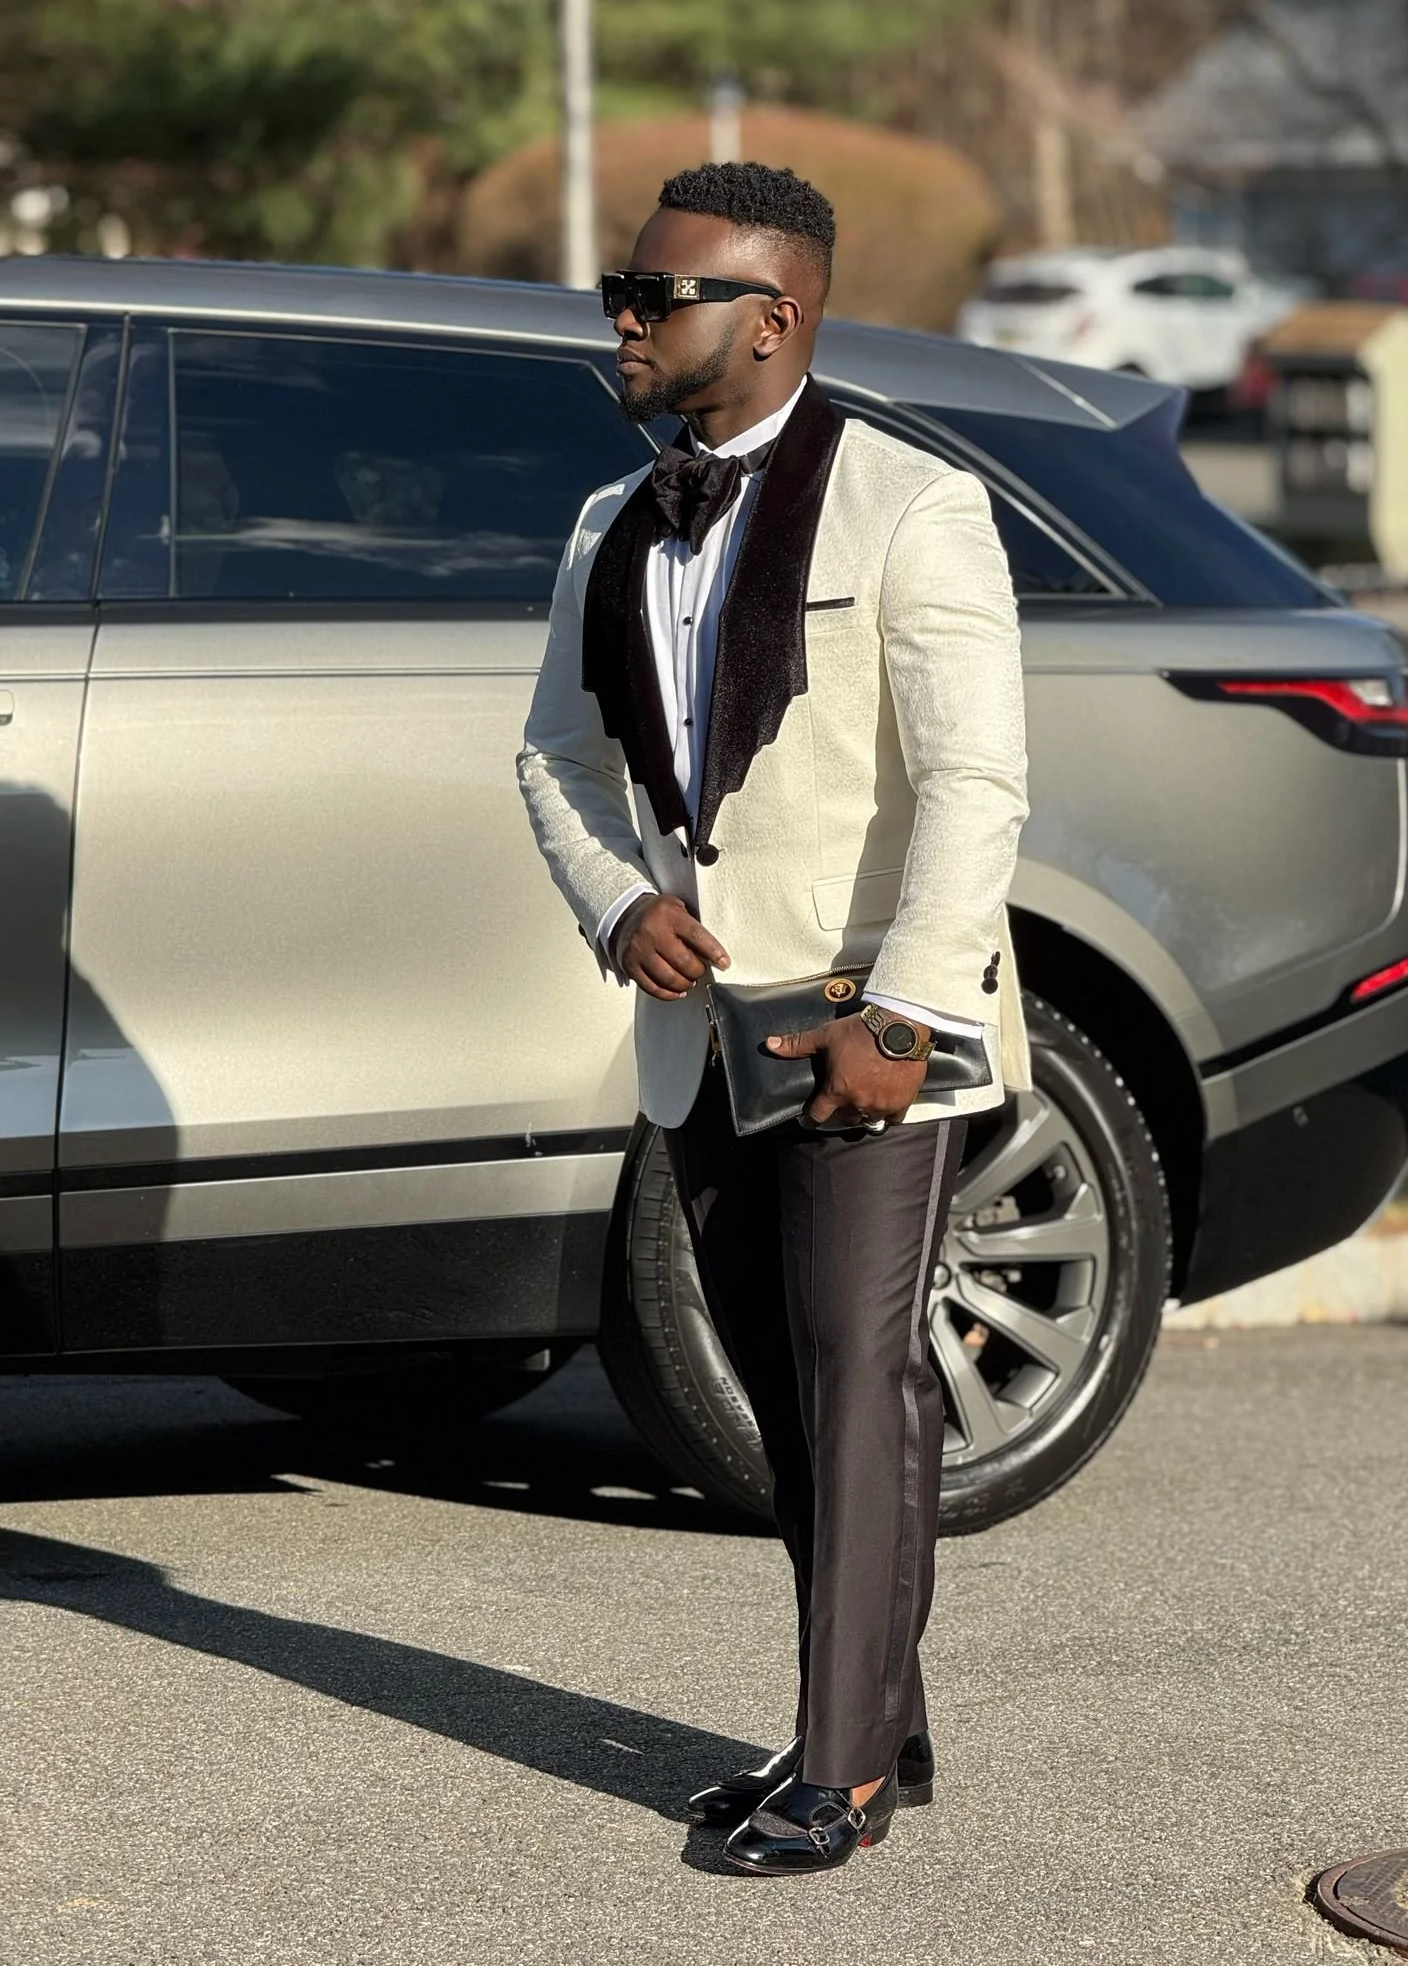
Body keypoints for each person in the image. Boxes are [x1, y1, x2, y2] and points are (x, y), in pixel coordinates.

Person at [518, 160, 1029, 1876]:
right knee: (796, 1391)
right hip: (705, 1033)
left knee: (850, 1371)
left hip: (867, 1027)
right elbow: (555, 758)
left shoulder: (912, 507)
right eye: (626, 287)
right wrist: (619, 900)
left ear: (773, 316)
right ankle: (880, 1714)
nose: (626, 317)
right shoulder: (613, 521)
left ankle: (842, 1775)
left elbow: (977, 784)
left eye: (656, 296)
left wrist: (902, 1014)